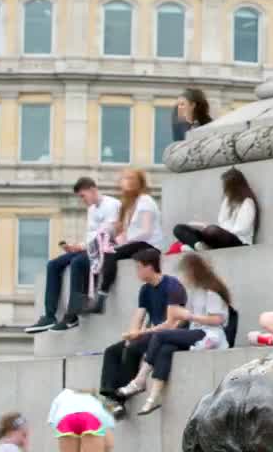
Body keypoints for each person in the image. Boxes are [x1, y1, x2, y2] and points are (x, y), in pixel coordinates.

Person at [117, 252, 232, 415]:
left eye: (185, 273)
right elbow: (179, 318)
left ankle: (140, 379)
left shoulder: (211, 292)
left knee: (160, 336)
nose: (184, 277)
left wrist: (188, 316)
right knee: (166, 348)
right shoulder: (195, 291)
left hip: (209, 334)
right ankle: (153, 397)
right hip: (195, 330)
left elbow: (217, 320)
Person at [26, 178, 121, 333]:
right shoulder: (91, 209)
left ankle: (72, 316)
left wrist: (82, 247)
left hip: (106, 248)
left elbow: (107, 234)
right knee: (53, 265)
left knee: (78, 262)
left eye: (83, 196)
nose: (82, 200)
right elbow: (91, 236)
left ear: (92, 190)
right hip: (90, 248)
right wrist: (76, 246)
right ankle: (49, 316)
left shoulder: (112, 205)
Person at [98, 248, 187, 411]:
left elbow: (172, 323)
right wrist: (131, 334)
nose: (136, 272)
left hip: (168, 334)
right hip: (150, 333)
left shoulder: (172, 286)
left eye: (139, 267)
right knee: (112, 351)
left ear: (150, 267)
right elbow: (138, 316)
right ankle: (110, 395)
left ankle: (122, 396)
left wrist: (138, 335)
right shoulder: (145, 289)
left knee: (133, 348)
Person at [87, 169, 165, 315]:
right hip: (136, 243)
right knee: (105, 252)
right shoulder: (128, 205)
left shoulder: (145, 201)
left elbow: (146, 231)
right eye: (124, 178)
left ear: (139, 182)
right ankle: (96, 295)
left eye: (130, 178)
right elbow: (123, 232)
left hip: (149, 244)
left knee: (111, 253)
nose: (126, 181)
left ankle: (102, 297)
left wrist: (126, 241)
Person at [172, 168, 259, 251]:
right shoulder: (227, 200)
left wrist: (219, 229)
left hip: (239, 241)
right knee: (179, 229)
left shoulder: (247, 202)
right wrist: (204, 227)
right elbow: (221, 220)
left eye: (227, 186)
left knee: (212, 230)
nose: (225, 190)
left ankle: (199, 246)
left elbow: (242, 229)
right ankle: (198, 245)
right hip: (220, 237)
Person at [46, 389, 116, 452]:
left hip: (65, 420)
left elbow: (51, 420)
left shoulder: (62, 395)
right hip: (89, 419)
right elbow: (109, 443)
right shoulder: (95, 401)